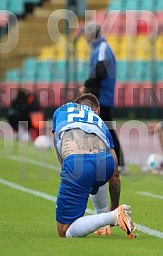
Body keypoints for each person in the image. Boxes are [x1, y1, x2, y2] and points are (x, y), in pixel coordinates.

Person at [52, 93, 137, 238]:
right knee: (94, 177)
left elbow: (60, 150)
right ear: (96, 109)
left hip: (76, 163)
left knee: (64, 230)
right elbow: (115, 175)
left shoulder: (61, 110)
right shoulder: (99, 122)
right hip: (105, 163)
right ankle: (105, 221)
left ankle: (112, 216)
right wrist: (114, 204)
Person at [79, 22, 127, 174]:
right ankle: (114, 162)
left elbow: (100, 70)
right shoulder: (98, 48)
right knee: (103, 128)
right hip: (100, 95)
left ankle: (119, 163)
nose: (85, 37)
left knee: (106, 129)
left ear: (92, 35)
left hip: (102, 96)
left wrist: (87, 85)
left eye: (86, 34)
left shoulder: (102, 47)